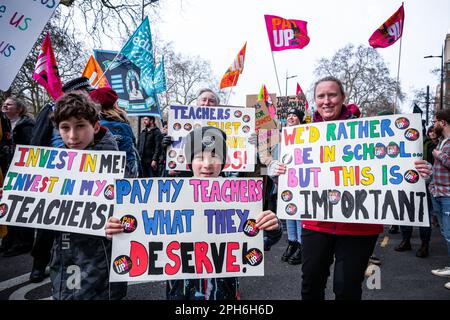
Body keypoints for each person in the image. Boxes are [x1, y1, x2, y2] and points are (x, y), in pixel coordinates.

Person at [106, 126, 281, 300]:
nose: (207, 164)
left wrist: (272, 227)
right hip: (181, 293)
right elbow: (145, 231)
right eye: (199, 157)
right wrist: (120, 233)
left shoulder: (239, 198)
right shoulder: (169, 197)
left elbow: (258, 240)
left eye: (214, 156)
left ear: (224, 161)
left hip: (223, 293)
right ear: (190, 163)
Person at [296, 76, 431, 300]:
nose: (326, 101)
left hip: (359, 227)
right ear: (315, 100)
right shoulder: (303, 135)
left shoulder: (370, 131)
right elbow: (294, 176)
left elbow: (395, 168)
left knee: (347, 289)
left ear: (342, 98)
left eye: (332, 95)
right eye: (321, 96)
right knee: (310, 285)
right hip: (316, 224)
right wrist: (280, 169)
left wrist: (421, 173)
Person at [49, 92, 127, 299]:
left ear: (95, 125)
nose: (72, 136)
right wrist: (12, 201)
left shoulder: (117, 165)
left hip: (102, 260)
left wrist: (119, 224)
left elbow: (132, 214)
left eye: (80, 126)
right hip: (63, 258)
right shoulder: (51, 164)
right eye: (65, 127)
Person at [28, 76, 95, 283]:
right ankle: (39, 265)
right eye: (86, 92)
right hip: (55, 178)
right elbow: (37, 142)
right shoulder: (51, 110)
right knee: (49, 222)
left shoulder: (91, 114)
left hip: (87, 179)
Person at [268, 108, 305, 265]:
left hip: (301, 178)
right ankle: (292, 242)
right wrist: (274, 173)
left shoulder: (307, 133)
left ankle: (302, 246)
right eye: (289, 115)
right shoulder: (279, 136)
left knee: (299, 214)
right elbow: (272, 155)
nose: (291, 118)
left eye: (294, 116)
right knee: (288, 212)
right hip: (284, 178)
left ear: (300, 119)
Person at [1, 97, 35, 257]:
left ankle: (24, 243)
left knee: (20, 206)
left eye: (9, 104)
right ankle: (10, 240)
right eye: (4, 103)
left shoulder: (26, 126)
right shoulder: (6, 124)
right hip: (10, 169)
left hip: (23, 173)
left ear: (19, 109)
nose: (4, 106)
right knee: (9, 206)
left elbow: (29, 150)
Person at [89, 87, 139, 178]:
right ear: (115, 105)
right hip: (123, 179)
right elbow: (131, 160)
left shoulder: (91, 126)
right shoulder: (125, 126)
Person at [428, 108, 450, 290]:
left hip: (448, 195)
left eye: (435, 121)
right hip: (439, 192)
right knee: (446, 234)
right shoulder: (443, 142)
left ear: (443, 122)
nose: (434, 124)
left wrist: (437, 155)